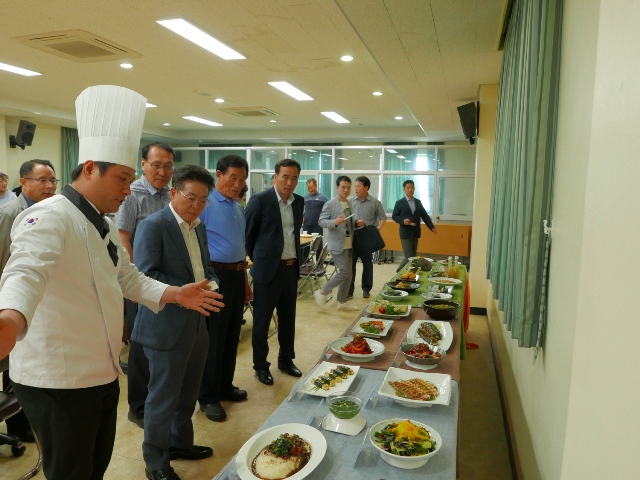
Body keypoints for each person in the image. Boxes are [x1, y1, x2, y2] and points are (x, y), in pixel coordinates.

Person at [0, 85, 223, 480]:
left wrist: (175, 294)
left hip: (98, 372)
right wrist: (11, 318)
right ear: (89, 169)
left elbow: (128, 277)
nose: (128, 189)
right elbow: (26, 270)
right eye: (122, 178)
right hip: (57, 379)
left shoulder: (100, 223)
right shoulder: (49, 217)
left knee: (94, 467)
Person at [132, 165, 218, 480]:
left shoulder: (199, 227)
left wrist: (212, 284)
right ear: (173, 193)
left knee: (188, 392)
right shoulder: (154, 226)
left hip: (197, 322)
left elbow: (206, 268)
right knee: (162, 398)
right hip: (164, 326)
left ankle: (180, 443)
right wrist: (185, 293)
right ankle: (155, 461)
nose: (196, 206)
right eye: (190, 198)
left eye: (202, 200)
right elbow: (144, 276)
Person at [115, 142, 174, 429]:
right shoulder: (132, 195)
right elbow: (123, 238)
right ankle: (137, 407)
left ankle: (157, 400)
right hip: (140, 284)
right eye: (156, 165)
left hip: (165, 284)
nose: (162, 171)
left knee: (159, 345)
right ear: (144, 164)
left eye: (168, 166)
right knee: (140, 348)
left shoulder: (168, 196)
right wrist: (137, 283)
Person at [0, 159, 58, 443]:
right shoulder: (11, 213)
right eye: (42, 180)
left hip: (40, 304)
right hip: (14, 302)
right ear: (23, 182)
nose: (49, 186)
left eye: (52, 181)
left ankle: (27, 419)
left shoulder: (52, 212)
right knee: (14, 365)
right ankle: (18, 426)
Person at [198, 155, 250, 422]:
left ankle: (225, 386)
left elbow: (239, 249)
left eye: (242, 180)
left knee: (232, 335)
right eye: (233, 177)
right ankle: (207, 396)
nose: (238, 184)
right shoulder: (205, 204)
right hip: (214, 277)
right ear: (218, 175)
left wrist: (245, 283)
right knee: (213, 339)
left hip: (237, 275)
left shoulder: (238, 206)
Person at [245, 159, 304, 386]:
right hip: (267, 272)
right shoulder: (260, 200)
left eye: (294, 178)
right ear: (275, 177)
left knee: (288, 320)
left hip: (291, 269)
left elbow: (293, 234)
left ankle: (286, 360)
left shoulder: (298, 202)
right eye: (285, 177)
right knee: (261, 323)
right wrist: (262, 259)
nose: (290, 182)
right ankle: (260, 366)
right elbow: (248, 236)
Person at [314, 176, 359, 311]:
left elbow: (349, 223)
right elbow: (321, 221)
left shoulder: (350, 203)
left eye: (348, 187)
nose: (346, 190)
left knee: (349, 274)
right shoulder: (330, 204)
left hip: (349, 243)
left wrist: (356, 223)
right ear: (337, 188)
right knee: (345, 272)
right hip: (337, 244)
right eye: (343, 187)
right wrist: (334, 222)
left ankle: (342, 301)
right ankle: (323, 292)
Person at [348, 176, 387, 299]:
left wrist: (376, 231)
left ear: (366, 187)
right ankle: (349, 290)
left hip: (366, 237)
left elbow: (383, 218)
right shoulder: (349, 201)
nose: (356, 188)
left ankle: (366, 289)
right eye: (355, 186)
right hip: (353, 237)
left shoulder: (375, 202)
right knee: (351, 264)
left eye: (358, 186)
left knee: (367, 264)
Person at [392, 179, 438, 271]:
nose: (410, 190)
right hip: (405, 232)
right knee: (409, 257)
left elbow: (424, 215)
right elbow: (394, 216)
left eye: (411, 187)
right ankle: (400, 272)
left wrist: (431, 227)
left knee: (412, 256)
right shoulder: (400, 202)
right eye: (408, 188)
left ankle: (402, 271)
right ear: (404, 189)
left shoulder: (418, 202)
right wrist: (402, 221)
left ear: (414, 189)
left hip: (415, 231)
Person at [303, 178, 328, 259]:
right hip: (306, 225)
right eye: (308, 188)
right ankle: (304, 263)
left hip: (317, 225)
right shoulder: (305, 197)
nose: (310, 189)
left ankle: (319, 264)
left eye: (312, 187)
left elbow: (328, 208)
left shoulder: (322, 197)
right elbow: (299, 209)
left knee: (318, 245)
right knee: (305, 245)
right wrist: (301, 217)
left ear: (316, 186)